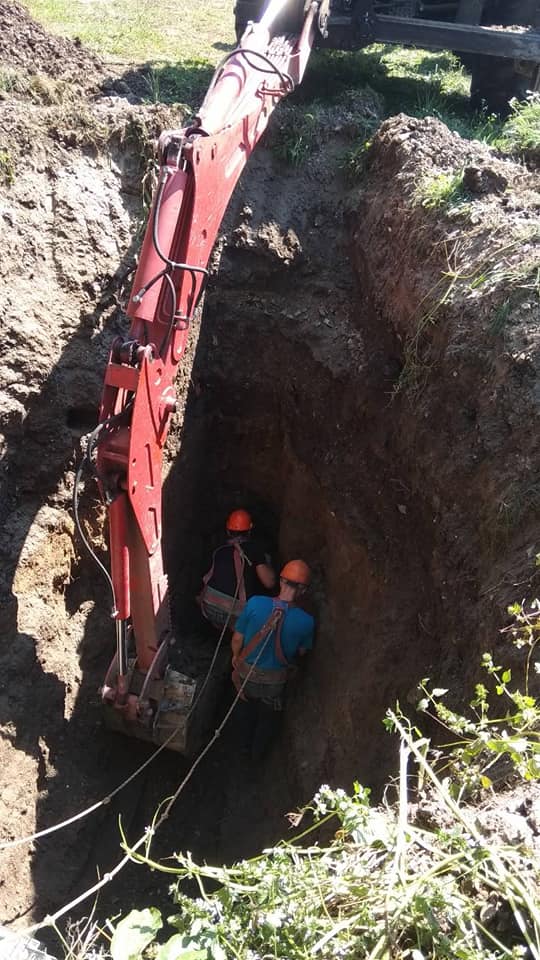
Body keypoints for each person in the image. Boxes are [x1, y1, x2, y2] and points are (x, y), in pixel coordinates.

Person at [231, 559, 314, 760]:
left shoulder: (255, 603)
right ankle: (257, 755)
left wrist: (235, 657)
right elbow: (302, 652)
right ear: (303, 590)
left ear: (281, 581)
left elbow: (237, 638)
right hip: (274, 684)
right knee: (268, 718)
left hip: (247, 676)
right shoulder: (307, 621)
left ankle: (242, 748)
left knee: (245, 708)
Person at [198, 509, 276, 632]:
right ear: (250, 530)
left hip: (209, 608)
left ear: (228, 530)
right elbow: (269, 582)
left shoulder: (219, 551)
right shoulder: (255, 550)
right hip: (234, 613)